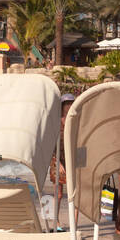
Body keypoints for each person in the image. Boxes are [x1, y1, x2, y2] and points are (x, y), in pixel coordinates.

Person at [49, 93, 75, 227]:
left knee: (75, 193)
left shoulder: (75, 121)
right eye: (67, 104)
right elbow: (50, 144)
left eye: (71, 103)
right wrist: (58, 162)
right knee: (58, 194)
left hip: (72, 159)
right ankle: (56, 221)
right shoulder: (55, 122)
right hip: (57, 158)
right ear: (62, 106)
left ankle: (74, 223)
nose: (69, 106)